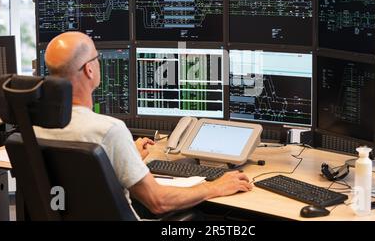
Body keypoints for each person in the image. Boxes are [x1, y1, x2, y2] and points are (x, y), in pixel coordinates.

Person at [33, 31, 252, 219]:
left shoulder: (35, 128)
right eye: (96, 58)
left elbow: (80, 182)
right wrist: (215, 187)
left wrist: (127, 158)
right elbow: (158, 201)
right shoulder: (109, 130)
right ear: (90, 70)